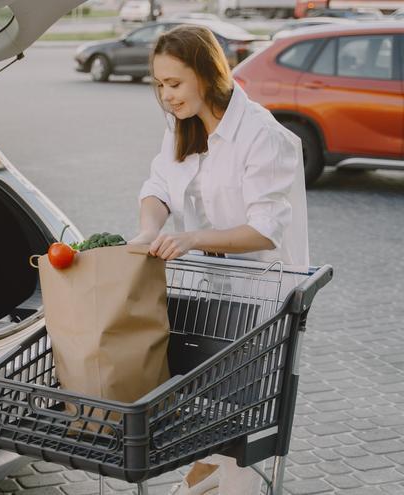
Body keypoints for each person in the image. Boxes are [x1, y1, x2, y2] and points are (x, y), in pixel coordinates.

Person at [129, 25, 309, 494]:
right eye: (160, 85)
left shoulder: (261, 135)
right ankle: (209, 472)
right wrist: (151, 229)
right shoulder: (180, 126)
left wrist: (190, 239)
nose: (166, 96)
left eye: (175, 84)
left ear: (207, 76)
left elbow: (264, 231)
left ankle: (223, 476)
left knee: (241, 401)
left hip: (261, 293)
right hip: (210, 288)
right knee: (202, 393)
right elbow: (158, 187)